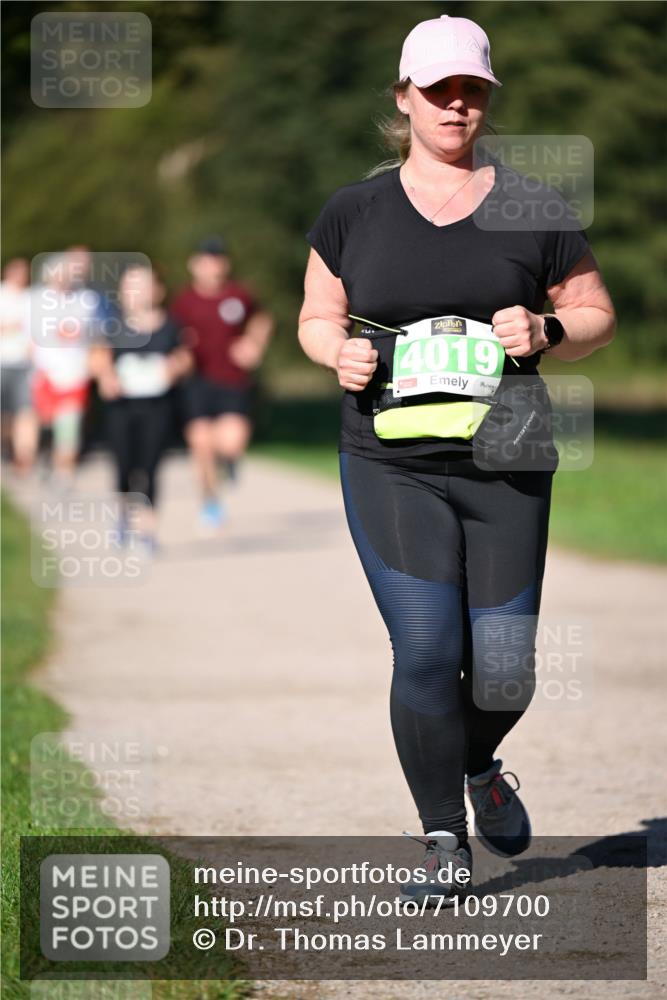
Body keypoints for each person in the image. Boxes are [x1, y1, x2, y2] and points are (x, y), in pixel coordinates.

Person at [298, 14, 615, 904]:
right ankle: (443, 837)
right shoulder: (353, 210)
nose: (455, 105)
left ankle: (477, 767)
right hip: (391, 460)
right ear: (403, 100)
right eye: (437, 90)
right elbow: (317, 315)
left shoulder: (532, 207)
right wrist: (336, 354)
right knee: (429, 650)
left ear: (485, 100)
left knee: (507, 665)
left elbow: (595, 315)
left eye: (470, 90)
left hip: (508, 457)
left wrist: (548, 327)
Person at [171, 236, 273, 529]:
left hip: (233, 381)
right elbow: (169, 335)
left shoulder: (239, 296)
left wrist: (253, 344)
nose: (212, 267)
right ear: (194, 265)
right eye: (206, 261)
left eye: (217, 260)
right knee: (201, 444)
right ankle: (210, 502)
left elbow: (262, 319)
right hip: (197, 382)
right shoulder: (183, 300)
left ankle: (227, 463)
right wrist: (179, 355)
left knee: (232, 442)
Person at [90, 264, 192, 553]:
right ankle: (123, 516)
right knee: (124, 467)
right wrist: (106, 377)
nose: (137, 292)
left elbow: (185, 358)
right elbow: (98, 358)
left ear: (158, 290)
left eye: (144, 285)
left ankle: (147, 531)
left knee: (151, 467)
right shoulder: (113, 325)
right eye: (131, 285)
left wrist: (176, 367)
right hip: (121, 407)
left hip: (158, 406)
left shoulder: (172, 325)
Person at [30, 252, 98, 489]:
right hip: (44, 373)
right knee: (43, 425)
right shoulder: (36, 299)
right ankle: (43, 458)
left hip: (75, 374)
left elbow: (92, 333)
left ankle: (64, 471)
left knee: (68, 423)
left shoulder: (86, 299)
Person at [0, 257, 38, 472]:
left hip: (26, 364)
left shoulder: (32, 298)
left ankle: (24, 457)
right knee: (5, 414)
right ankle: (6, 448)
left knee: (26, 411)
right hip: (2, 362)